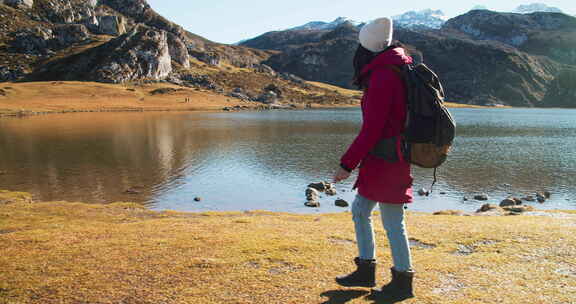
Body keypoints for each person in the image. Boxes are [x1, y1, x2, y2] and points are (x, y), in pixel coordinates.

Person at [333, 17, 415, 299]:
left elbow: (373, 128)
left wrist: (346, 164)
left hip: (388, 159)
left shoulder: (384, 75)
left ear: (367, 47)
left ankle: (403, 282)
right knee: (360, 211)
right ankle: (366, 269)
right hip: (382, 157)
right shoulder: (394, 67)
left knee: (393, 221)